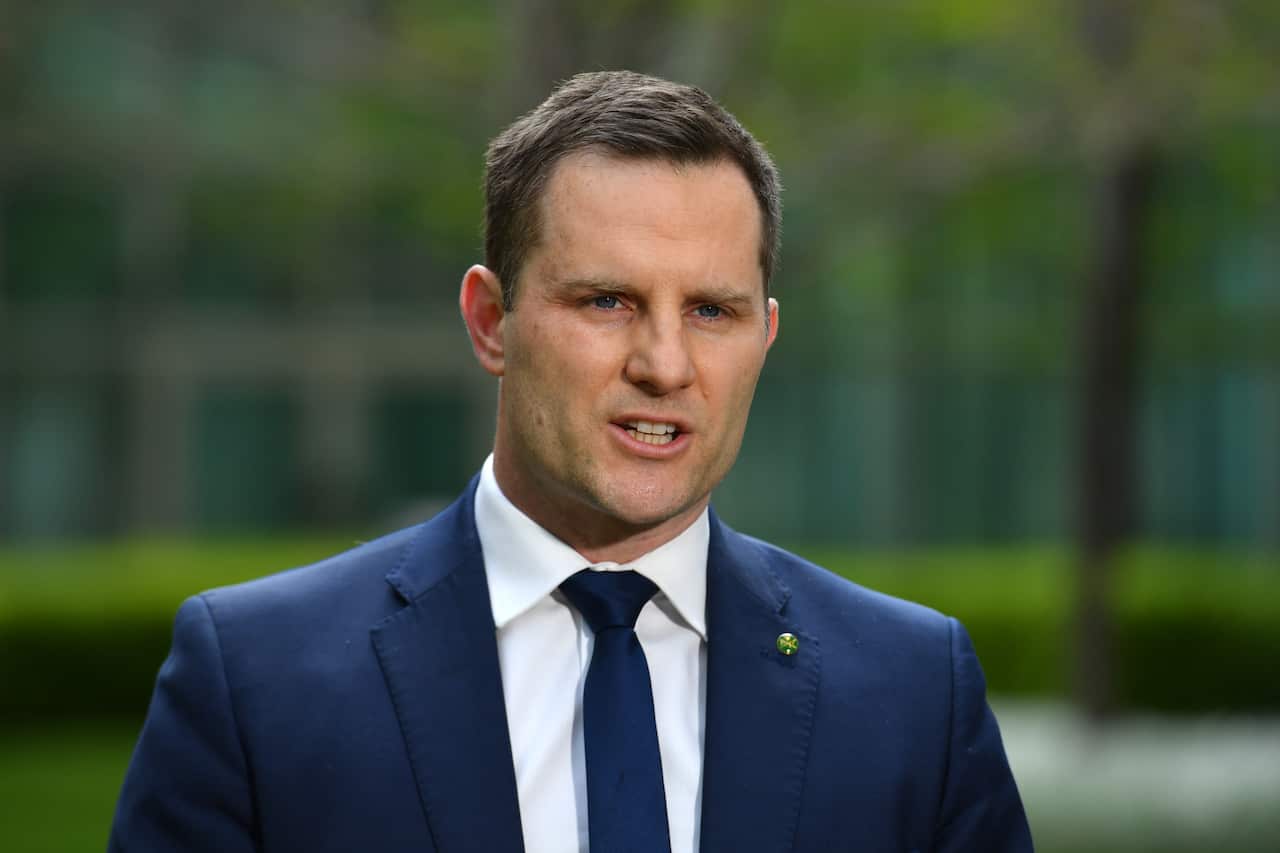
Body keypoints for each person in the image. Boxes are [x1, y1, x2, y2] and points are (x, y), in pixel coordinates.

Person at [110, 71, 1033, 853]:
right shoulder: (254, 685)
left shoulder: (915, 694)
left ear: (767, 335)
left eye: (713, 310)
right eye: (607, 301)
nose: (665, 365)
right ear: (489, 321)